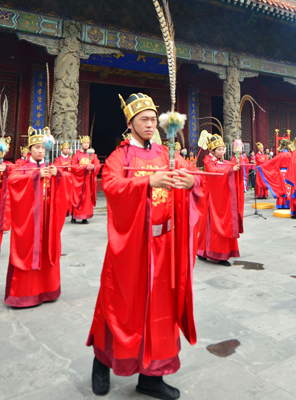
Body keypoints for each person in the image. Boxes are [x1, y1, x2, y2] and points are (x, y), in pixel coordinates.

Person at [88, 94, 205, 399]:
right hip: (131, 245)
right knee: (119, 305)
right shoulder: (119, 156)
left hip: (164, 245)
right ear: (130, 124)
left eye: (154, 119)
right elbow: (111, 186)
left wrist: (191, 184)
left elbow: (193, 177)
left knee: (160, 310)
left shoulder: (168, 153)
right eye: (144, 119)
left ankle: (152, 377)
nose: (150, 124)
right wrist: (146, 183)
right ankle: (102, 360)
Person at [5, 127, 72, 306]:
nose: (40, 150)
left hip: (48, 216)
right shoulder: (22, 167)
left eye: (43, 147)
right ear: (30, 150)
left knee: (48, 247)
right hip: (29, 217)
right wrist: (34, 176)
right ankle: (25, 294)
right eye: (36, 147)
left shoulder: (50, 166)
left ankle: (48, 290)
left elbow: (67, 181)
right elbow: (12, 181)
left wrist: (58, 176)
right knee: (29, 249)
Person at [197, 134, 241, 265]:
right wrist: (230, 170)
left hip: (221, 196)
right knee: (213, 224)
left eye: (223, 149)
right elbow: (213, 171)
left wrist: (236, 166)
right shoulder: (207, 159)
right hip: (212, 197)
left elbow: (227, 165)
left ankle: (203, 251)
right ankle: (216, 254)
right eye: (219, 150)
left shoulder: (223, 161)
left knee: (221, 222)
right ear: (212, 151)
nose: (222, 152)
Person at [71, 136, 100, 223]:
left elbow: (98, 164)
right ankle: (74, 216)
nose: (86, 144)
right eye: (84, 143)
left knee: (87, 198)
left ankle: (84, 217)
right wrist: (84, 168)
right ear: (81, 144)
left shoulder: (93, 156)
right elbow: (73, 167)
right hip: (78, 180)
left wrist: (93, 167)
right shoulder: (76, 155)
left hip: (88, 180)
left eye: (87, 143)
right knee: (77, 197)